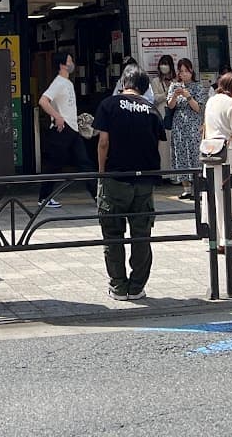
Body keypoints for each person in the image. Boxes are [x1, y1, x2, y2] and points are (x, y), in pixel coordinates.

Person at [94, 68, 164, 301]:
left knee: (113, 234)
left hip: (115, 178)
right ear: (144, 88)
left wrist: (101, 173)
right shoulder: (151, 109)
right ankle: (136, 287)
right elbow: (156, 143)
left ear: (123, 83)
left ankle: (118, 286)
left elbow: (104, 142)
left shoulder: (109, 105)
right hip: (144, 180)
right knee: (141, 233)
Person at [201, 71, 232, 256]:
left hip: (210, 152)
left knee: (215, 197)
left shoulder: (212, 100)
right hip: (228, 154)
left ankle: (217, 239)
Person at [37, 52, 94, 207]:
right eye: (69, 61)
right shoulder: (59, 82)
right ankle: (44, 198)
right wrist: (57, 116)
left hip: (72, 129)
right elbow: (43, 101)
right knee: (56, 163)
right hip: (62, 129)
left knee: (84, 162)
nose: (72, 63)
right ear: (62, 65)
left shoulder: (67, 82)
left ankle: (97, 195)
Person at [166, 58, 209, 198]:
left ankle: (198, 188)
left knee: (195, 155)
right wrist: (175, 96)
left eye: (186, 71)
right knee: (180, 154)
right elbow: (171, 106)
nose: (184, 74)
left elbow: (198, 109)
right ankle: (186, 188)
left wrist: (188, 96)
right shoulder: (174, 86)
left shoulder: (198, 87)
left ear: (191, 71)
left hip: (194, 125)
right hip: (179, 125)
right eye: (181, 71)